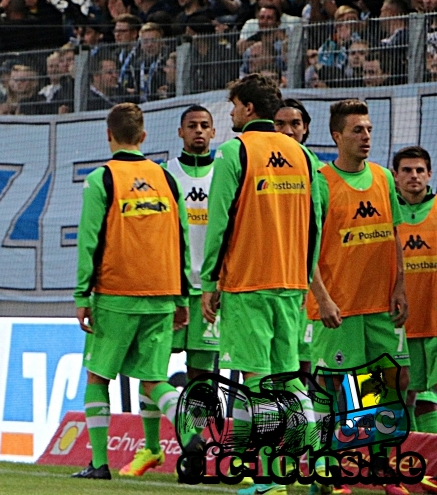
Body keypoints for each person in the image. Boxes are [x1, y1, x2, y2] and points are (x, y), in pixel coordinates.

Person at [200, 74, 322, 495]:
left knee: (257, 380)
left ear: (248, 108)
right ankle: (319, 461)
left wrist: (209, 282)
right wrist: (304, 275)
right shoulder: (303, 155)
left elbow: (219, 223)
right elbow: (316, 223)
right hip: (291, 281)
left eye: (233, 105)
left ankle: (270, 479)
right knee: (289, 377)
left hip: (248, 281)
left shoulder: (234, 152)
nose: (230, 112)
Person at [72, 103, 196, 479]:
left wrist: (82, 296)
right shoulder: (167, 178)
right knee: (155, 379)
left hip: (116, 293)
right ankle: (191, 434)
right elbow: (183, 238)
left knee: (97, 376)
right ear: (143, 137)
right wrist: (182, 295)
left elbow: (88, 241)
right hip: (162, 293)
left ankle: (99, 464)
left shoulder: (101, 179)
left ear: (109, 135)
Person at [305, 100, 409, 495]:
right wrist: (324, 298)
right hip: (338, 307)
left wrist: (399, 285)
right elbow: (306, 246)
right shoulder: (321, 181)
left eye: (367, 129)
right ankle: (326, 472)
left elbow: (393, 236)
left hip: (379, 305)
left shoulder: (383, 177)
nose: (366, 136)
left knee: (384, 385)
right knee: (335, 391)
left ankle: (383, 470)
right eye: (356, 131)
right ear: (337, 136)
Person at [164, 106, 219, 381]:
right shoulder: (166, 174)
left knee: (202, 375)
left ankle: (196, 427)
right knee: (155, 369)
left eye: (204, 125)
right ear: (180, 132)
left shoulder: (224, 173)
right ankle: (160, 425)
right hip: (174, 288)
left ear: (213, 132)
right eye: (192, 125)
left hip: (209, 290)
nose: (198, 130)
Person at [392, 147, 437, 460]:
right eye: (406, 170)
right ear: (395, 176)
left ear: (430, 175)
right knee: (402, 392)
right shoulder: (386, 212)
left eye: (420, 170)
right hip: (400, 322)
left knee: (429, 398)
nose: (414, 176)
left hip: (435, 320)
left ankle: (431, 463)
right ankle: (405, 459)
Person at [273, 98, 322, 377]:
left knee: (303, 368)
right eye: (280, 124)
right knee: (267, 368)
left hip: (304, 286)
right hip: (267, 286)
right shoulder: (257, 168)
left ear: (306, 129)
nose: (288, 131)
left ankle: (311, 422)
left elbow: (316, 233)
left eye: (295, 124)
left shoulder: (316, 172)